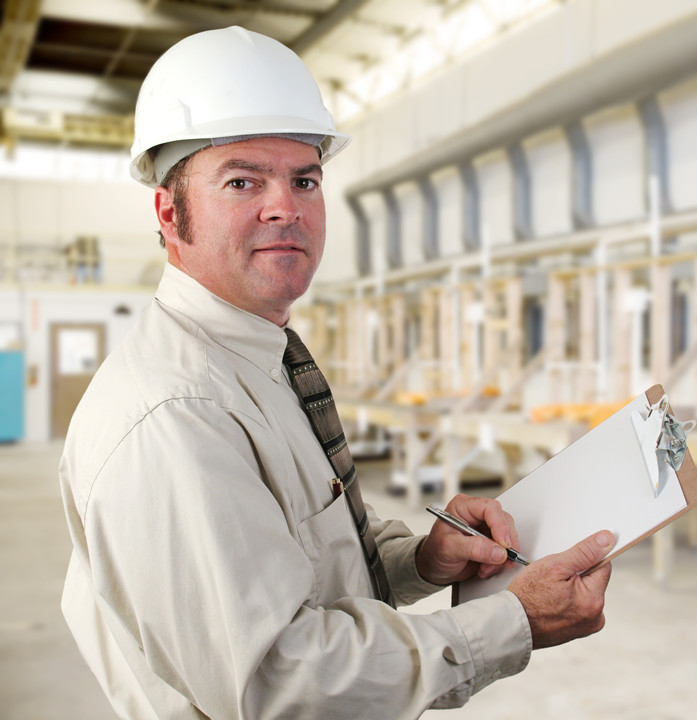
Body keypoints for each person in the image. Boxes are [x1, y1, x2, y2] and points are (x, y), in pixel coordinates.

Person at [59, 26, 613, 719]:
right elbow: (279, 683)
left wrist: (422, 560)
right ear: (171, 213)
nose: (284, 206)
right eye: (242, 180)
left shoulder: (259, 361)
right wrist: (513, 622)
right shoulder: (176, 411)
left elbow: (305, 554)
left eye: (305, 179)